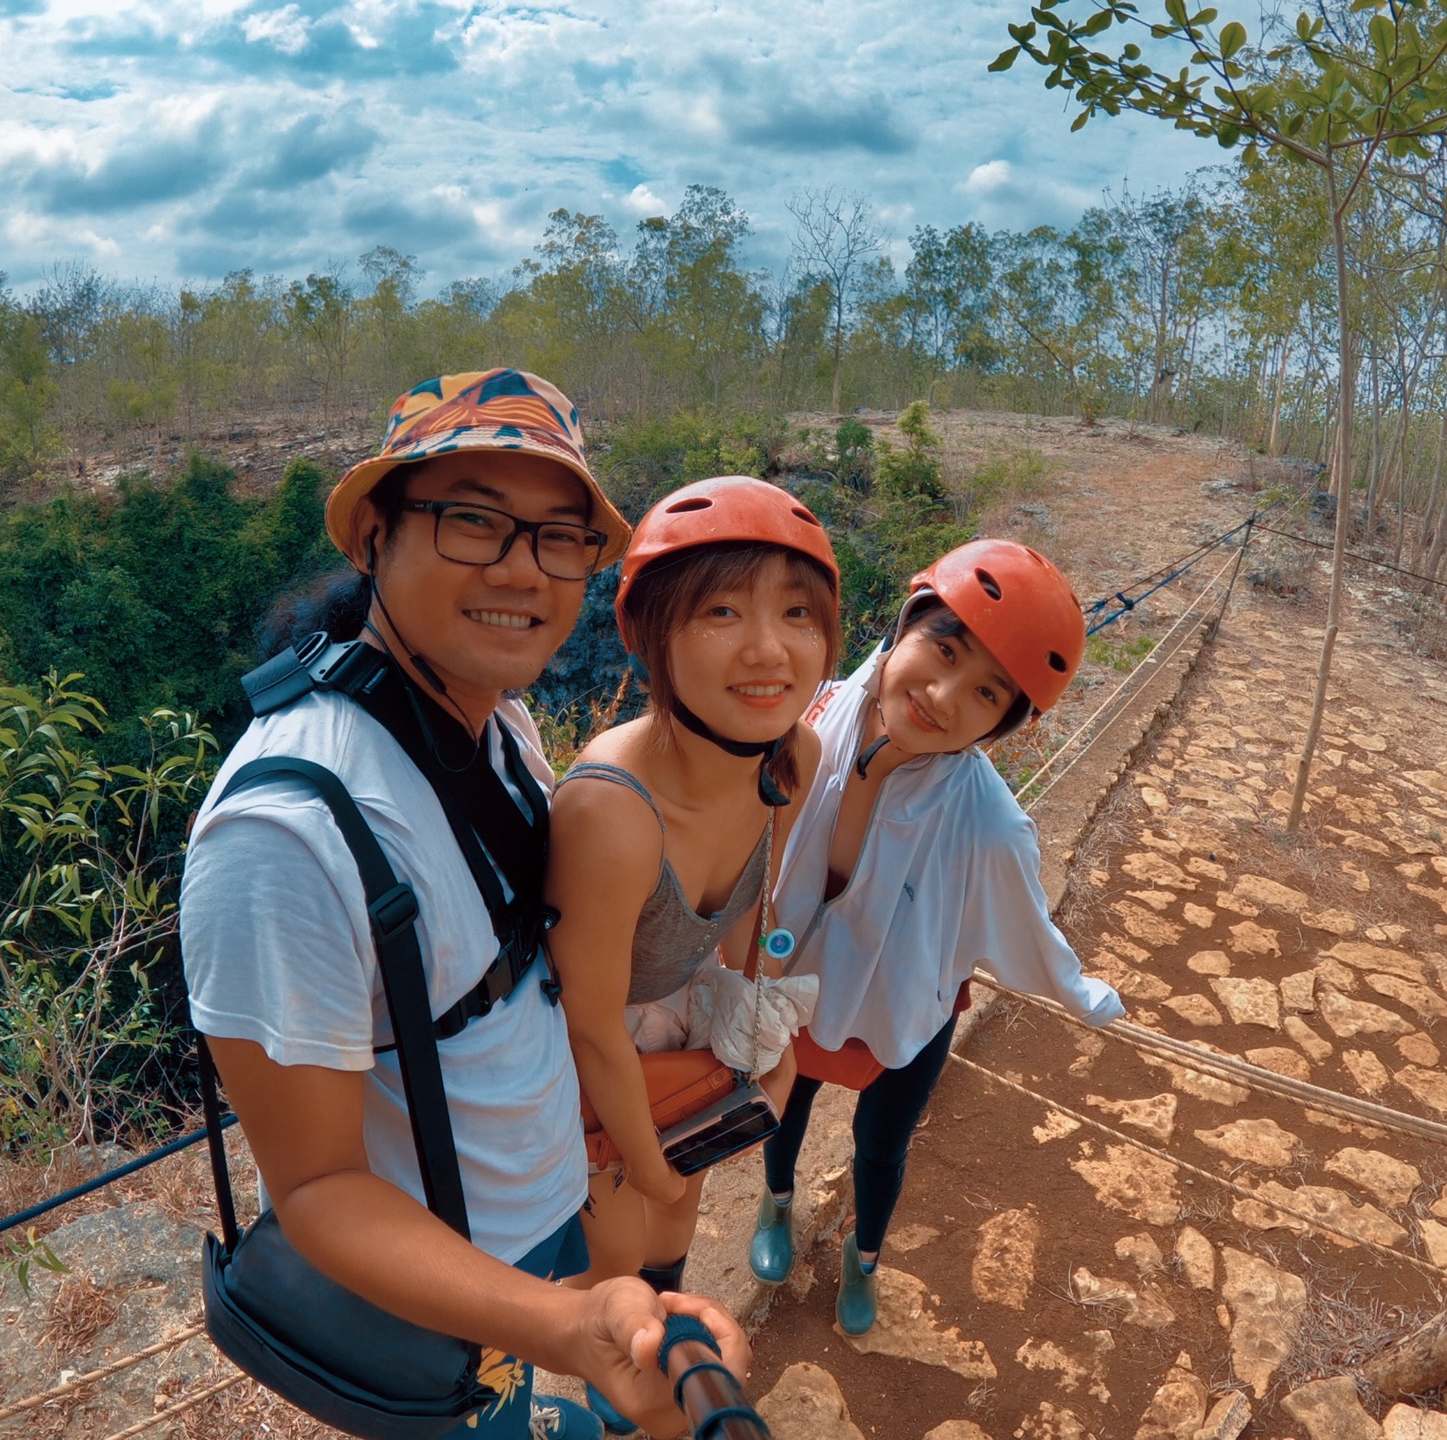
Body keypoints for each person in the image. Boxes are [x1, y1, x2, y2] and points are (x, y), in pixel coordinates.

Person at [180, 369, 752, 1440]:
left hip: (545, 1209)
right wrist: (558, 1325)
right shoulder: (287, 834)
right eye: (474, 522)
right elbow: (317, 1190)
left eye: (558, 538)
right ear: (374, 540)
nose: (522, 570)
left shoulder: (498, 725)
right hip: (448, 1293)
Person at [747, 538, 1125, 1335]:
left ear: (1002, 724)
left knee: (881, 1148)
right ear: (902, 627)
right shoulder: (803, 717)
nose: (943, 697)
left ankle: (864, 1257)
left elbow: (1029, 929)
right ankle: (776, 1208)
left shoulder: (988, 827)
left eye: (986, 694)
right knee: (784, 1103)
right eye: (942, 650)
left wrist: (1085, 997)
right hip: (799, 977)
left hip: (904, 1006)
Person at [545, 476, 839, 1436]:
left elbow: (754, 910)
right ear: (652, 634)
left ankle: (658, 1375)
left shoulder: (789, 758)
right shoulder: (609, 813)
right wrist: (647, 1158)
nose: (769, 648)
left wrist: (755, 1018)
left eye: (798, 614)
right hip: (585, 1064)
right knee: (621, 1258)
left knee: (675, 1223)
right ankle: (626, 1407)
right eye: (721, 611)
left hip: (677, 1024)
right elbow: (586, 1019)